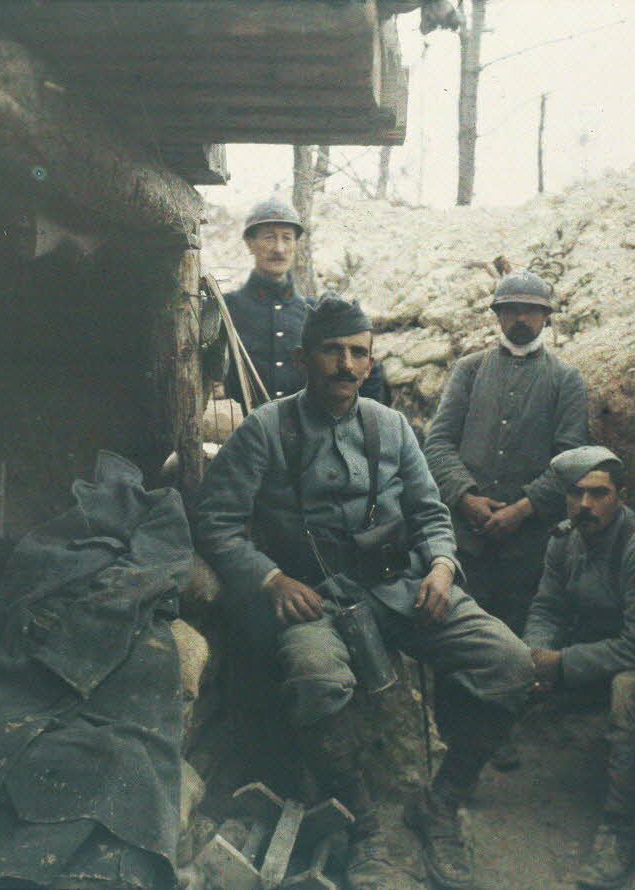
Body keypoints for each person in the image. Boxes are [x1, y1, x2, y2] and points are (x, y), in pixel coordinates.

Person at [193, 298, 532, 890]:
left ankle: (443, 802)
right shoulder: (265, 431)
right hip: (314, 599)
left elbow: (430, 513)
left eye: (358, 352)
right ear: (304, 358)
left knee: (510, 661)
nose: (346, 365)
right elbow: (216, 524)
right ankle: (363, 822)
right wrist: (272, 579)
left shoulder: (390, 425)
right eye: (332, 351)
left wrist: (444, 567)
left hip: (399, 587)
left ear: (371, 360)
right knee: (316, 677)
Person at [523, 446, 635, 889]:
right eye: (576, 493)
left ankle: (618, 831)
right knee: (509, 657)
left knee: (630, 688)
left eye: (598, 493)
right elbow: (548, 607)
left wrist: (561, 664)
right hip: (608, 648)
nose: (585, 505)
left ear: (620, 495)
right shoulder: (565, 539)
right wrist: (535, 654)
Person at [424, 269, 589, 635]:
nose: (520, 319)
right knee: (458, 637)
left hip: (530, 548)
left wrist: (522, 509)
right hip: (466, 540)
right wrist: (466, 497)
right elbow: (437, 443)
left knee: (520, 640)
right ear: (497, 315)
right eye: (511, 309)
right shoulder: (469, 370)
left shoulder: (566, 379)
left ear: (547, 317)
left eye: (531, 310)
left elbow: (572, 460)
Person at [224, 196, 385, 404]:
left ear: (296, 245)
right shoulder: (226, 309)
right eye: (269, 238)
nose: (279, 249)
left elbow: (367, 369)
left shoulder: (316, 313)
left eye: (287, 238)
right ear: (249, 243)